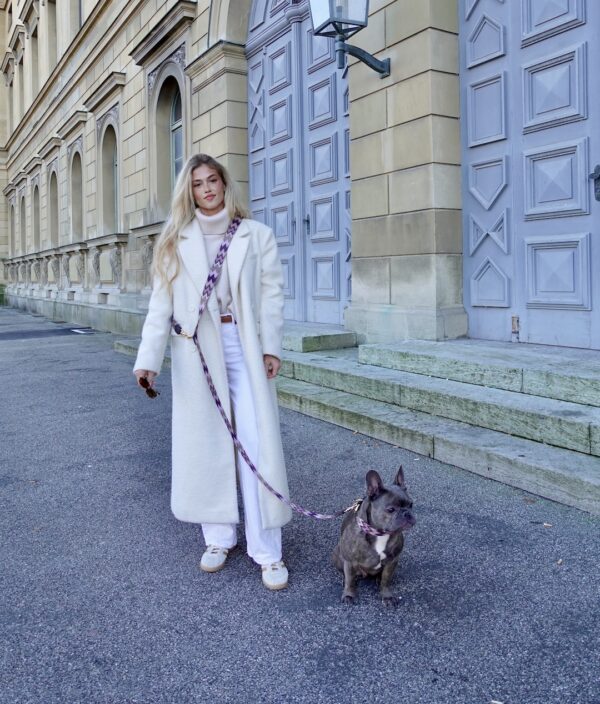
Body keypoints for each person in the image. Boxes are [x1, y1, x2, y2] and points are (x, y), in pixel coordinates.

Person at [133, 153, 292, 590]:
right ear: (189, 191)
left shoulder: (256, 235)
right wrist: (148, 360)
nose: (206, 189)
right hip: (196, 348)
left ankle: (267, 551)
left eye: (212, 180)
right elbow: (160, 305)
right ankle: (218, 538)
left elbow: (272, 295)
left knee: (256, 443)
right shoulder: (174, 240)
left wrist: (271, 347)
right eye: (197, 183)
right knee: (206, 442)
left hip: (244, 345)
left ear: (224, 184)